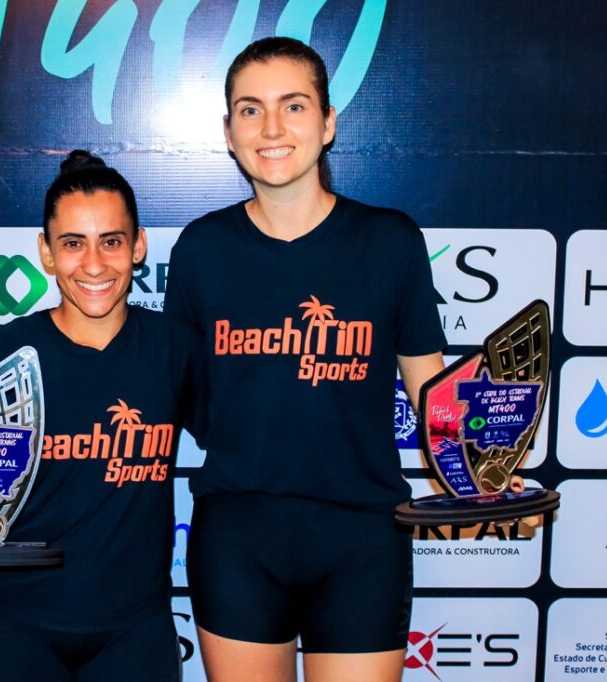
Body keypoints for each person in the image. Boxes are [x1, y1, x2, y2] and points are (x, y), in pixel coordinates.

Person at [163, 37, 452, 682]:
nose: (271, 128)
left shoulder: (390, 242)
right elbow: (179, 396)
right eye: (250, 109)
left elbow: (432, 394)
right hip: (237, 537)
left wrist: (481, 475)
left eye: (293, 106)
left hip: (361, 537)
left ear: (327, 123)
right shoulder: (202, 250)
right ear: (229, 132)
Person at [0, 151, 197, 682]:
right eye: (73, 243)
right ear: (46, 251)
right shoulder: (5, 353)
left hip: (135, 632)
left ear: (138, 246)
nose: (94, 265)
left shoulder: (174, 348)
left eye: (111, 241)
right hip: (16, 626)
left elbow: (244, 444)